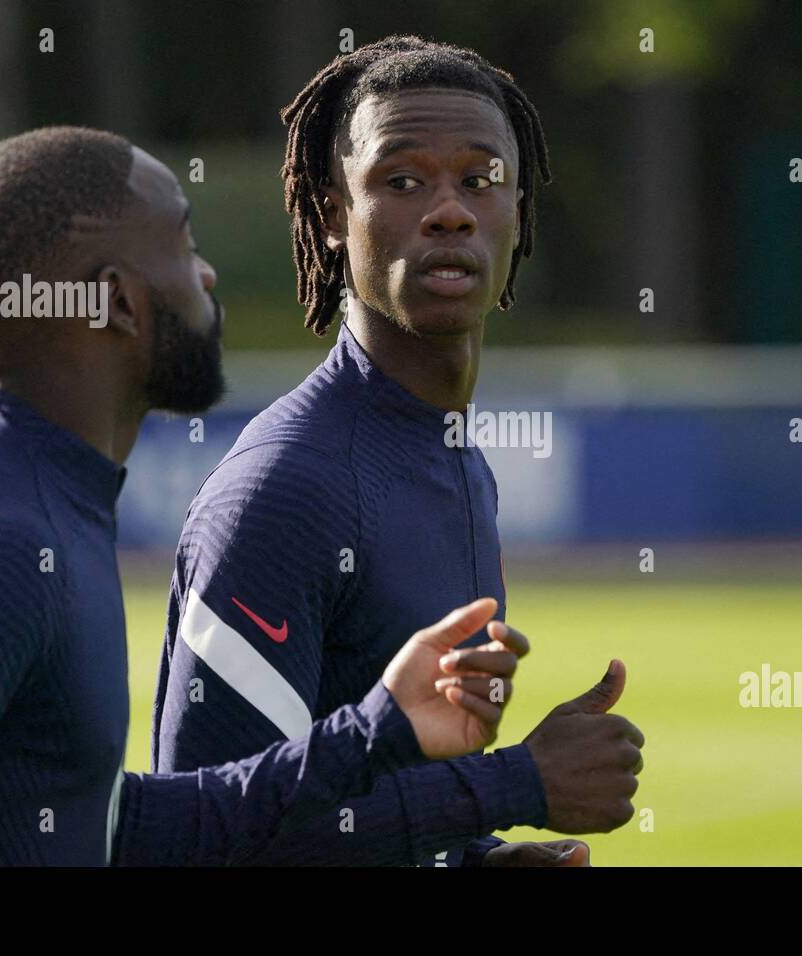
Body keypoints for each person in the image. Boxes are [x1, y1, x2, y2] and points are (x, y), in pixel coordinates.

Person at [0, 126, 527, 865]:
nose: (205, 276)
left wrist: (380, 734)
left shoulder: (37, 498)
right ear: (117, 302)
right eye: (182, 245)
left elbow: (111, 827)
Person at [154, 36, 644, 867]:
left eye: (480, 180)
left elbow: (380, 789)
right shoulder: (283, 489)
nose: (449, 209)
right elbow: (200, 841)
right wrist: (516, 784)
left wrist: (474, 856)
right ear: (330, 216)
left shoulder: (454, 458)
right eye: (401, 180)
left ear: (517, 214)